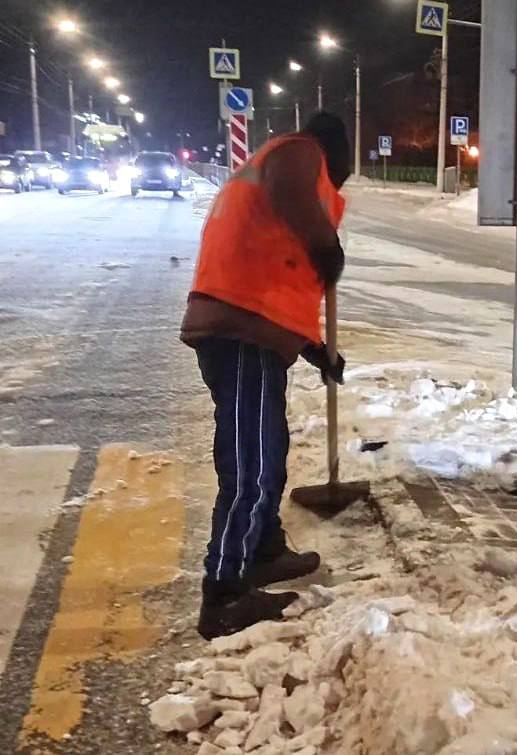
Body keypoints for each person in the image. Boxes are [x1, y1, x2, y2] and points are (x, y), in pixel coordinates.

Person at [180, 112, 351, 639]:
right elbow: (293, 197)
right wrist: (326, 242)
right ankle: (224, 592)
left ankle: (263, 550)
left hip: (254, 332)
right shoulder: (299, 153)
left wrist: (316, 348)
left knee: (269, 453)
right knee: (250, 466)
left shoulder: (286, 163)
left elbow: (274, 277)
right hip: (240, 335)